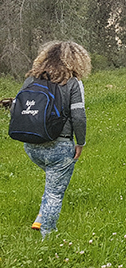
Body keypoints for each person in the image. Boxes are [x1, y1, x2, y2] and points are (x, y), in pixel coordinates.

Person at [21, 41, 91, 239]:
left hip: (31, 145)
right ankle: (48, 238)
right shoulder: (72, 83)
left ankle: (40, 218)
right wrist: (81, 142)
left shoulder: (31, 80)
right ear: (76, 61)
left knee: (52, 181)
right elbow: (78, 116)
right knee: (55, 191)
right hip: (59, 146)